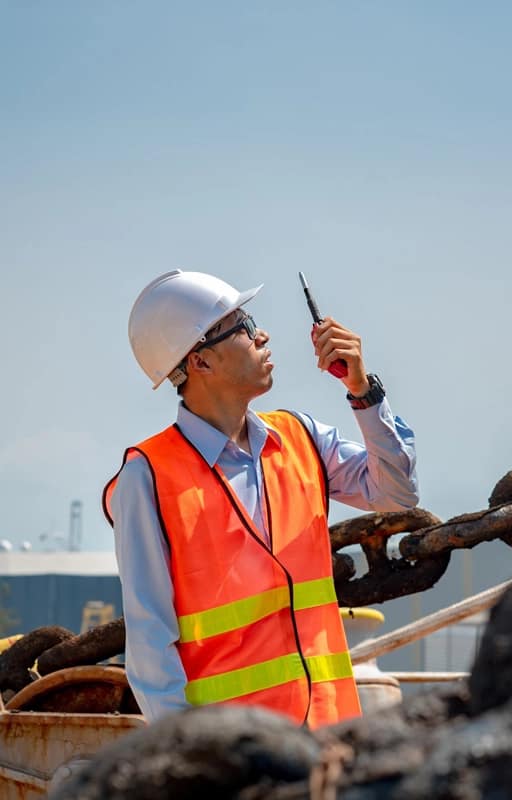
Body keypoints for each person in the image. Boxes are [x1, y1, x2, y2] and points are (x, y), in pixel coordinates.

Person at [103, 270, 418, 728]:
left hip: (331, 741)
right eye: (244, 325)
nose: (263, 334)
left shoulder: (301, 438)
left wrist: (362, 391)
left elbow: (398, 493)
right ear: (201, 363)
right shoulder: (147, 478)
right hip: (235, 761)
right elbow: (152, 647)